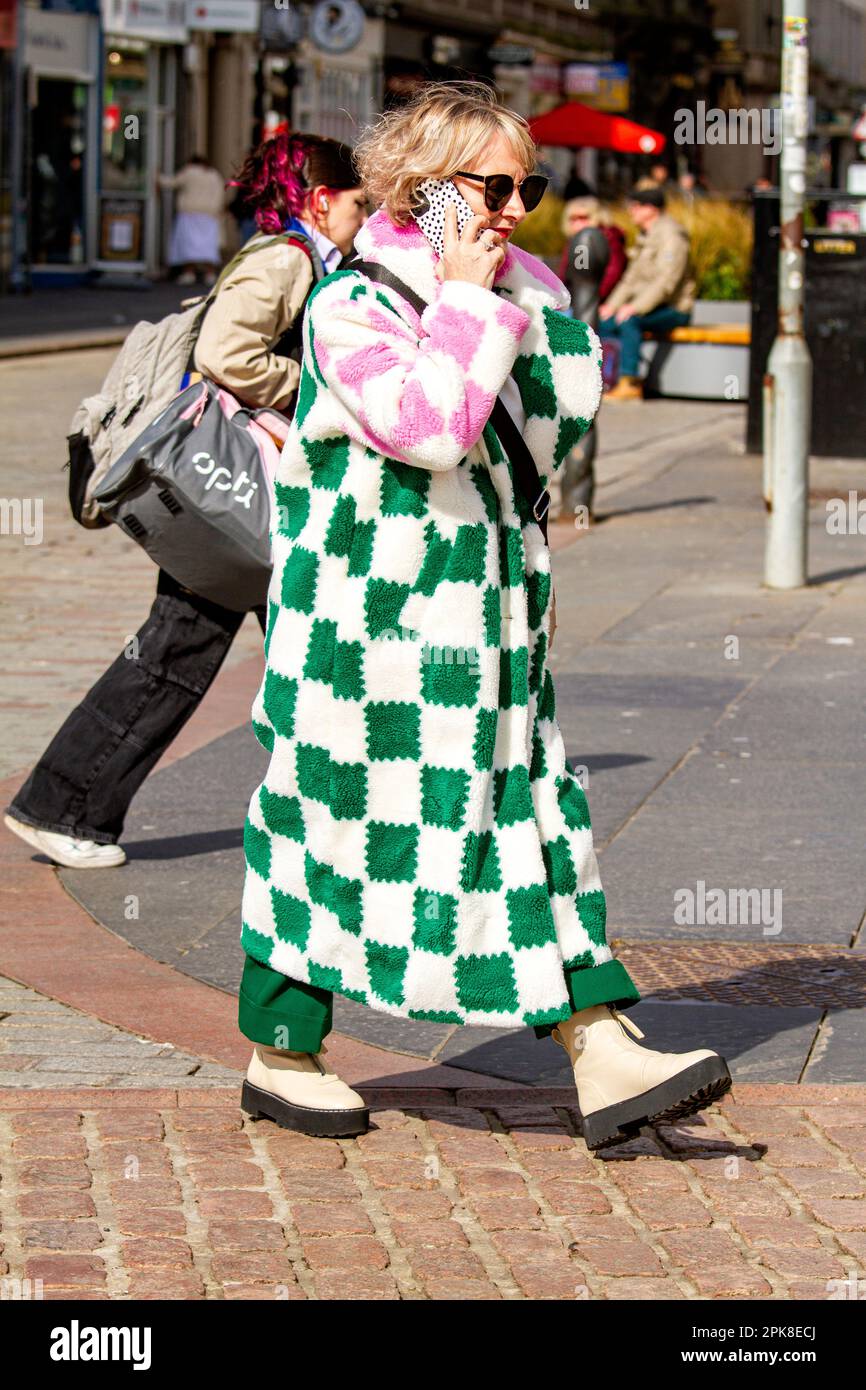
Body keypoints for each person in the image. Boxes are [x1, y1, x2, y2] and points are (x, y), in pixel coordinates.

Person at [237, 81, 731, 1149]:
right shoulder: (349, 305)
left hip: (491, 616)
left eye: (528, 186)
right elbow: (431, 429)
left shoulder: (522, 286)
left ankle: (597, 1043)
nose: (516, 207)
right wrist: (463, 298)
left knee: (530, 810)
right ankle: (280, 1045)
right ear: (422, 191)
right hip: (363, 634)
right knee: (328, 818)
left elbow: (559, 411)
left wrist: (508, 292)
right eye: (491, 186)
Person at [4, 134, 366, 871]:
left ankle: (68, 806)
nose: (367, 217)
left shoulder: (298, 257)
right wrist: (319, 394)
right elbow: (226, 355)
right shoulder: (286, 259)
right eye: (360, 203)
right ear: (321, 200)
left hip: (251, 498)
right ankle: (63, 807)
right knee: (188, 647)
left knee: (285, 646)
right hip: (241, 492)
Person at [557, 198, 626, 519]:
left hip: (599, 315)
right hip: (580, 316)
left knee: (581, 410)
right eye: (574, 218)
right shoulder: (582, 244)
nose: (579, 224)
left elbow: (602, 282)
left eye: (584, 217)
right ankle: (575, 508)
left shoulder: (598, 242)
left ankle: (576, 510)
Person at [598, 184, 696, 402]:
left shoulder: (672, 236)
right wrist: (611, 306)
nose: (631, 211)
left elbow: (666, 282)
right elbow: (630, 280)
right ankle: (605, 377)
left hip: (674, 308)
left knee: (629, 321)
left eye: (635, 206)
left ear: (651, 208)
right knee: (603, 322)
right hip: (650, 306)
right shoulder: (647, 235)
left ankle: (630, 382)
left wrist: (634, 307)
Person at [158, 154, 227, 285]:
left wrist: (156, 177)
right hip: (209, 214)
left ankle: (189, 273)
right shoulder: (214, 175)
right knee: (208, 246)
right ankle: (210, 273)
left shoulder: (189, 172)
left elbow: (171, 182)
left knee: (188, 244)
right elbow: (220, 194)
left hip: (190, 212)